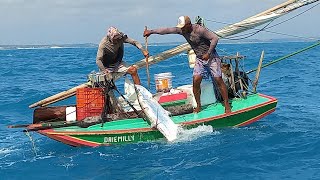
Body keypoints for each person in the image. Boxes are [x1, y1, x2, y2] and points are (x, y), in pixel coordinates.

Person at [143, 16, 231, 113]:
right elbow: (167, 30)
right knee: (196, 80)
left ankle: (226, 104)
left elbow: (215, 38)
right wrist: (151, 31)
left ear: (189, 25)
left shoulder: (200, 30)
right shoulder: (182, 30)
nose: (182, 29)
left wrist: (208, 53)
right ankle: (198, 106)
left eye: (183, 27)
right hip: (200, 58)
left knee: (218, 79)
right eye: (181, 27)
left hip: (211, 57)